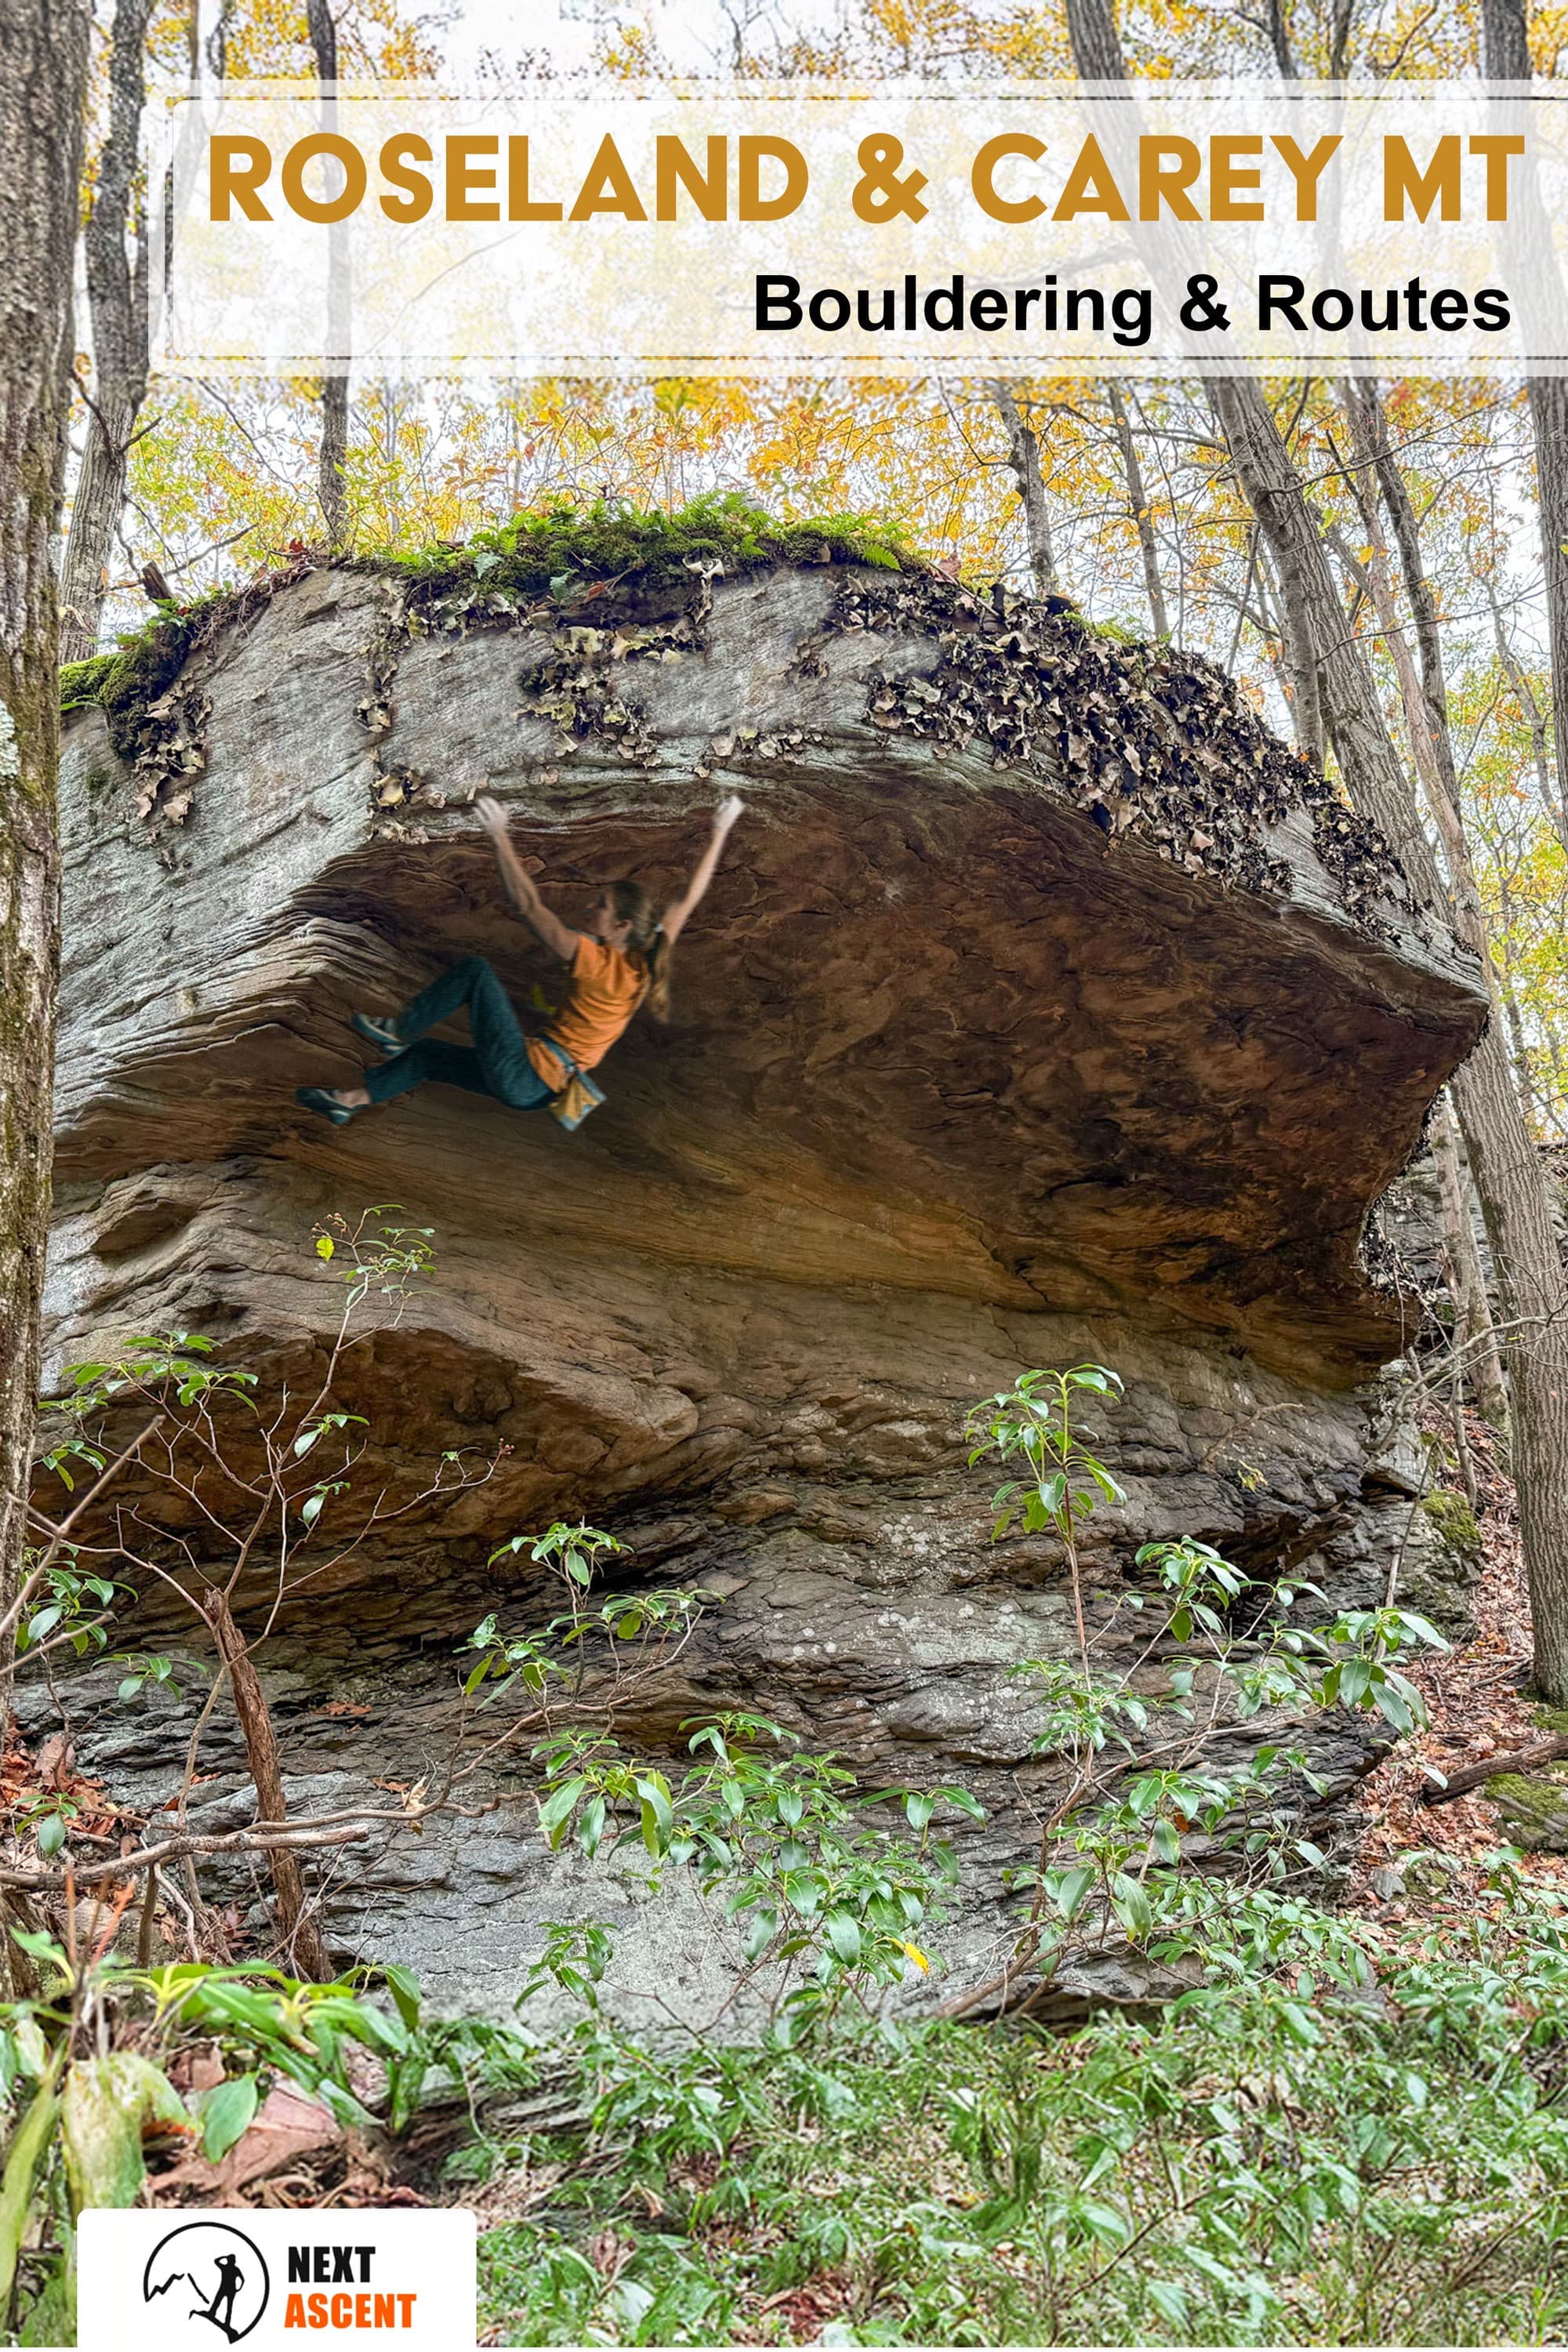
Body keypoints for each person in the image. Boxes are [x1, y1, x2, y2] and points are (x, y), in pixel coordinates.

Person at [297, 791, 745, 1128]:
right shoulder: (645, 968)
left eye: (602, 908)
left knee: (475, 972)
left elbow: (530, 908)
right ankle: (348, 1101)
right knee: (430, 1057)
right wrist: (721, 831)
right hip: (538, 1093)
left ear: (623, 926)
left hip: (528, 1073)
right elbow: (688, 898)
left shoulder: (595, 961)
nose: (592, 912)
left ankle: (399, 1030)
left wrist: (500, 838)